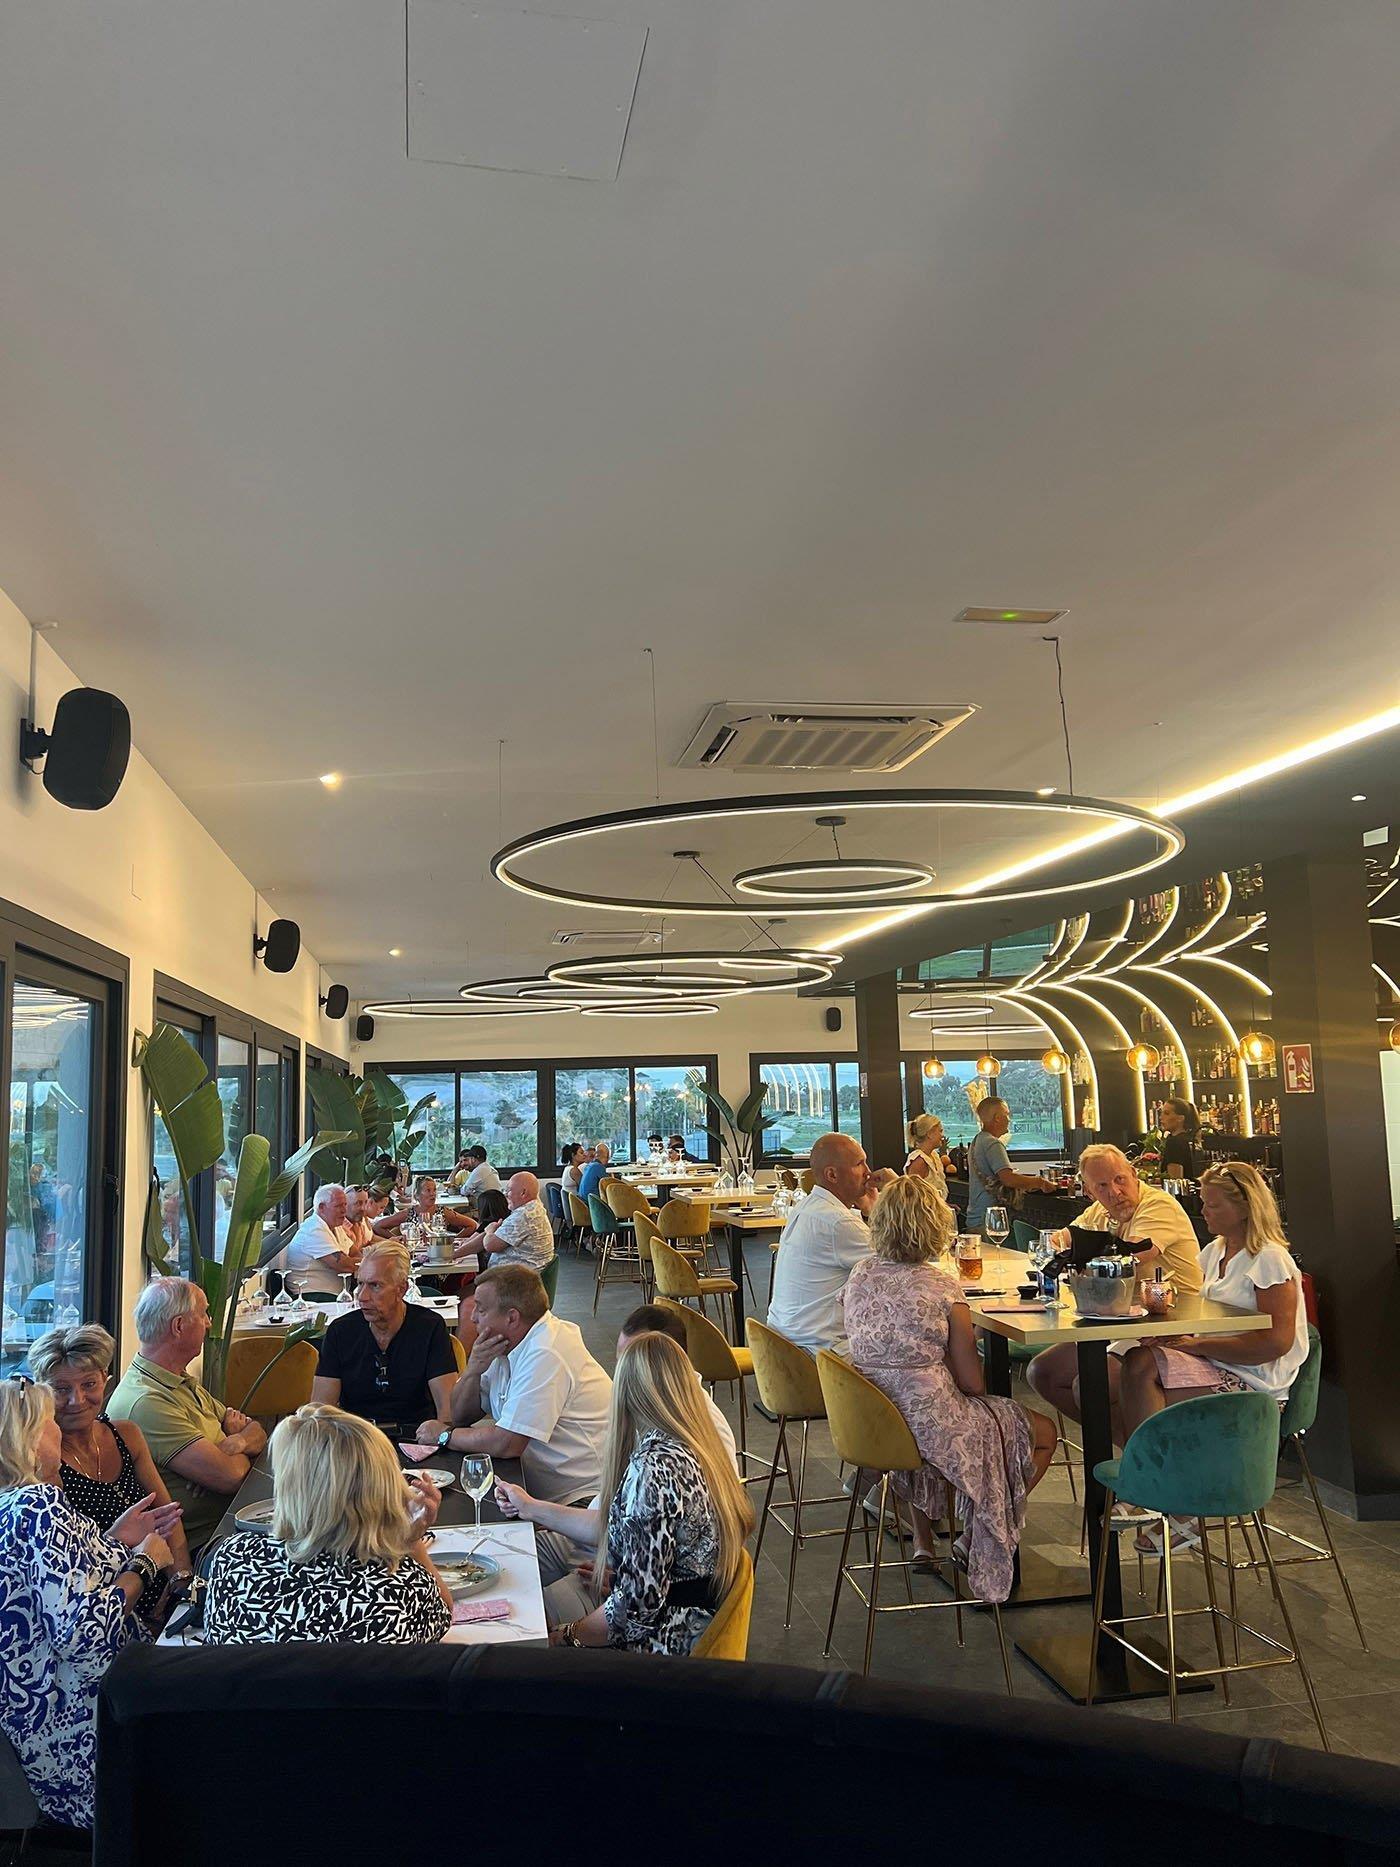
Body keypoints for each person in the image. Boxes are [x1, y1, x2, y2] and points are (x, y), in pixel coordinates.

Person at [842, 1178, 1057, 1601]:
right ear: (935, 1226)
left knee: (919, 1425)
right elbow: (973, 1384)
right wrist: (968, 1338)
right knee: (1042, 1433)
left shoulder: (860, 1273)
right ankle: (977, 1534)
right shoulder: (942, 1287)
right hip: (928, 1426)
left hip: (872, 1421)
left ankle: (925, 1543)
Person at [495, 1331, 753, 1653]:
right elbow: (655, 1568)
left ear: (628, 1393)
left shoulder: (654, 1468)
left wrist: (567, 1635)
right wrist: (623, 1576)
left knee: (522, 1631)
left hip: (663, 1647)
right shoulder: (701, 1445)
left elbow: (634, 1613)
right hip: (695, 1625)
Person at [0, 1377, 177, 1830]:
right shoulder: (36, 1506)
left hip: (35, 1738)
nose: (58, 1429)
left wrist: (116, 1541)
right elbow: (82, 1634)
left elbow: (59, 1587)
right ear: (28, 1438)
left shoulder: (12, 1507)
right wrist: (145, 1563)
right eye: (48, 1422)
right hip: (87, 1735)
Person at [1116, 1162, 1309, 1544]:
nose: (1202, 1211)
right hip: (1215, 1362)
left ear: (1245, 1207)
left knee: (1139, 1369)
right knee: (1117, 1372)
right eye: (1203, 1202)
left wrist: (1196, 1344)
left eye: (1213, 1205)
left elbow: (1275, 1343)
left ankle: (1161, 1493)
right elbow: (1207, 1318)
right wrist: (1176, 1331)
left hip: (1255, 1382)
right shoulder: (1215, 1251)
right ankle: (1167, 1485)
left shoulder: (1269, 1259)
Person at [416, 1265, 612, 1580]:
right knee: (463, 1546)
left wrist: (444, 1437)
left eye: (481, 1309)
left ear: (512, 1317)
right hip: (535, 1498)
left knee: (485, 1563)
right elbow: (461, 1415)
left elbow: (507, 1443)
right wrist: (474, 1368)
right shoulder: (506, 1346)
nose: (472, 1318)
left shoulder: (546, 1351)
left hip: (583, 1510)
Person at [203, 1403, 451, 1644]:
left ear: (290, 1487)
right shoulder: (401, 1589)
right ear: (380, 1489)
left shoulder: (232, 1560)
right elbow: (442, 1616)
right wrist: (410, 1540)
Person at [1026, 1144, 1204, 1441]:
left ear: (1134, 1174)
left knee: (1088, 1385)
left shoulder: (1158, 1205)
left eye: (1120, 1179)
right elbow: (1059, 1241)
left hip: (1173, 1324)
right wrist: (1067, 1247)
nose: (1115, 1192)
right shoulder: (1101, 1211)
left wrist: (1076, 1256)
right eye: (1102, 1186)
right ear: (1089, 1192)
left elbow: (1130, 1258)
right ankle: (1126, 1448)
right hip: (1122, 1322)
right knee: (1042, 1372)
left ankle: (1137, 1457)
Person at [108, 1278, 267, 1549]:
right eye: (203, 1314)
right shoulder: (147, 1401)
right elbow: (231, 1478)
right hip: (214, 1540)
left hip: (240, 1517)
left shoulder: (177, 1379)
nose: (209, 1323)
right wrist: (235, 1453)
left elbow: (258, 1431)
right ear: (179, 1326)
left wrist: (234, 1443)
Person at [31, 1323, 192, 1580]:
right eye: (61, 1389)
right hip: (103, 1592)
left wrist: (182, 1584)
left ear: (105, 1379)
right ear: (41, 1391)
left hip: (162, 1578)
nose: (77, 1400)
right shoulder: (41, 1460)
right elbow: (63, 1567)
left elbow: (169, 1518)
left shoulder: (127, 1435)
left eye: (89, 1384)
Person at [311, 1243, 459, 1433]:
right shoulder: (341, 1331)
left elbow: (447, 1413)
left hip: (416, 1436)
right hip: (357, 1438)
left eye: (375, 1286)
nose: (362, 1296)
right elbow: (321, 1412)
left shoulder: (429, 1327)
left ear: (401, 1289)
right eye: (360, 1284)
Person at [766, 1132, 873, 1354]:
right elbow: (902, 1266)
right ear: (832, 1175)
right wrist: (882, 1208)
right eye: (859, 1164)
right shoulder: (838, 1222)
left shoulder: (806, 1207)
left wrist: (869, 1211)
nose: (868, 1172)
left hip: (784, 1347)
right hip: (821, 1354)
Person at [617, 1303, 737, 1466]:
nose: (621, 1378)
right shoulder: (647, 1410)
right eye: (620, 1363)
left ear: (670, 1363)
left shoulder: (709, 1429)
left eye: (633, 1368)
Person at [965, 1098, 1057, 1233]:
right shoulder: (993, 1144)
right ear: (997, 1118)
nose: (1009, 1119)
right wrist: (1040, 1182)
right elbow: (1008, 1179)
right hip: (989, 1220)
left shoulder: (977, 1140)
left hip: (975, 1218)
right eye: (1007, 1114)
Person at [471, 1171, 554, 1272]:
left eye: (508, 1190)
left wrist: (490, 1231)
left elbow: (490, 1245)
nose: (505, 1194)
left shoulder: (524, 1215)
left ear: (523, 1193)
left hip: (516, 1278)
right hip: (522, 1273)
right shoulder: (533, 1207)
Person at [283, 1182, 357, 1295]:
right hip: (312, 1296)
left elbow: (354, 1251)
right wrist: (372, 1263)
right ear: (321, 1207)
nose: (344, 1210)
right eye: (338, 1206)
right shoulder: (313, 1230)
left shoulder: (335, 1225)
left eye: (345, 1205)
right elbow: (344, 1265)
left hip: (335, 1295)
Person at [903, 1112, 949, 1198]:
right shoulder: (918, 1161)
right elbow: (913, 1197)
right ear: (929, 1134)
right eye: (940, 1131)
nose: (942, 1135)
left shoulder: (934, 1155)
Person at [1158, 1098, 1205, 1182]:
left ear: (1180, 1118)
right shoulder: (1193, 1139)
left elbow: (1175, 1180)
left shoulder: (1174, 1142)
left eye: (1166, 1113)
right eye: (1162, 1113)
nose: (1161, 1117)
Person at [414, 1174, 478, 1235]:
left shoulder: (442, 1211)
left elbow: (472, 1225)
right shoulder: (410, 1212)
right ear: (417, 1194)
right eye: (428, 1190)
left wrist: (453, 1240)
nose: (433, 1194)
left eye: (434, 1190)